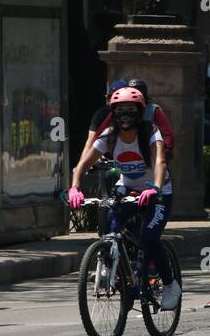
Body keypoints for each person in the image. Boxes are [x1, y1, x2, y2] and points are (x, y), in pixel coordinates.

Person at [67, 85, 181, 310]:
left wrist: (155, 187)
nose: (125, 115)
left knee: (149, 238)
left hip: (157, 192)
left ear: (140, 111)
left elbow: (160, 161)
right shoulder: (109, 136)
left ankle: (170, 285)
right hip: (127, 189)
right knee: (107, 217)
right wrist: (74, 189)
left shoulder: (150, 132)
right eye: (119, 110)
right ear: (113, 113)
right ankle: (113, 266)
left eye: (131, 109)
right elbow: (82, 165)